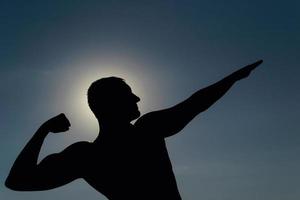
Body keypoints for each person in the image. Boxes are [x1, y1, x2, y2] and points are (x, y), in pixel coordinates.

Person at [5, 60, 263, 199]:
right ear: (111, 103)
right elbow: (193, 104)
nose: (138, 98)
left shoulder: (85, 157)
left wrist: (43, 130)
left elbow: (17, 182)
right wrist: (232, 79)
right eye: (129, 95)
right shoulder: (146, 131)